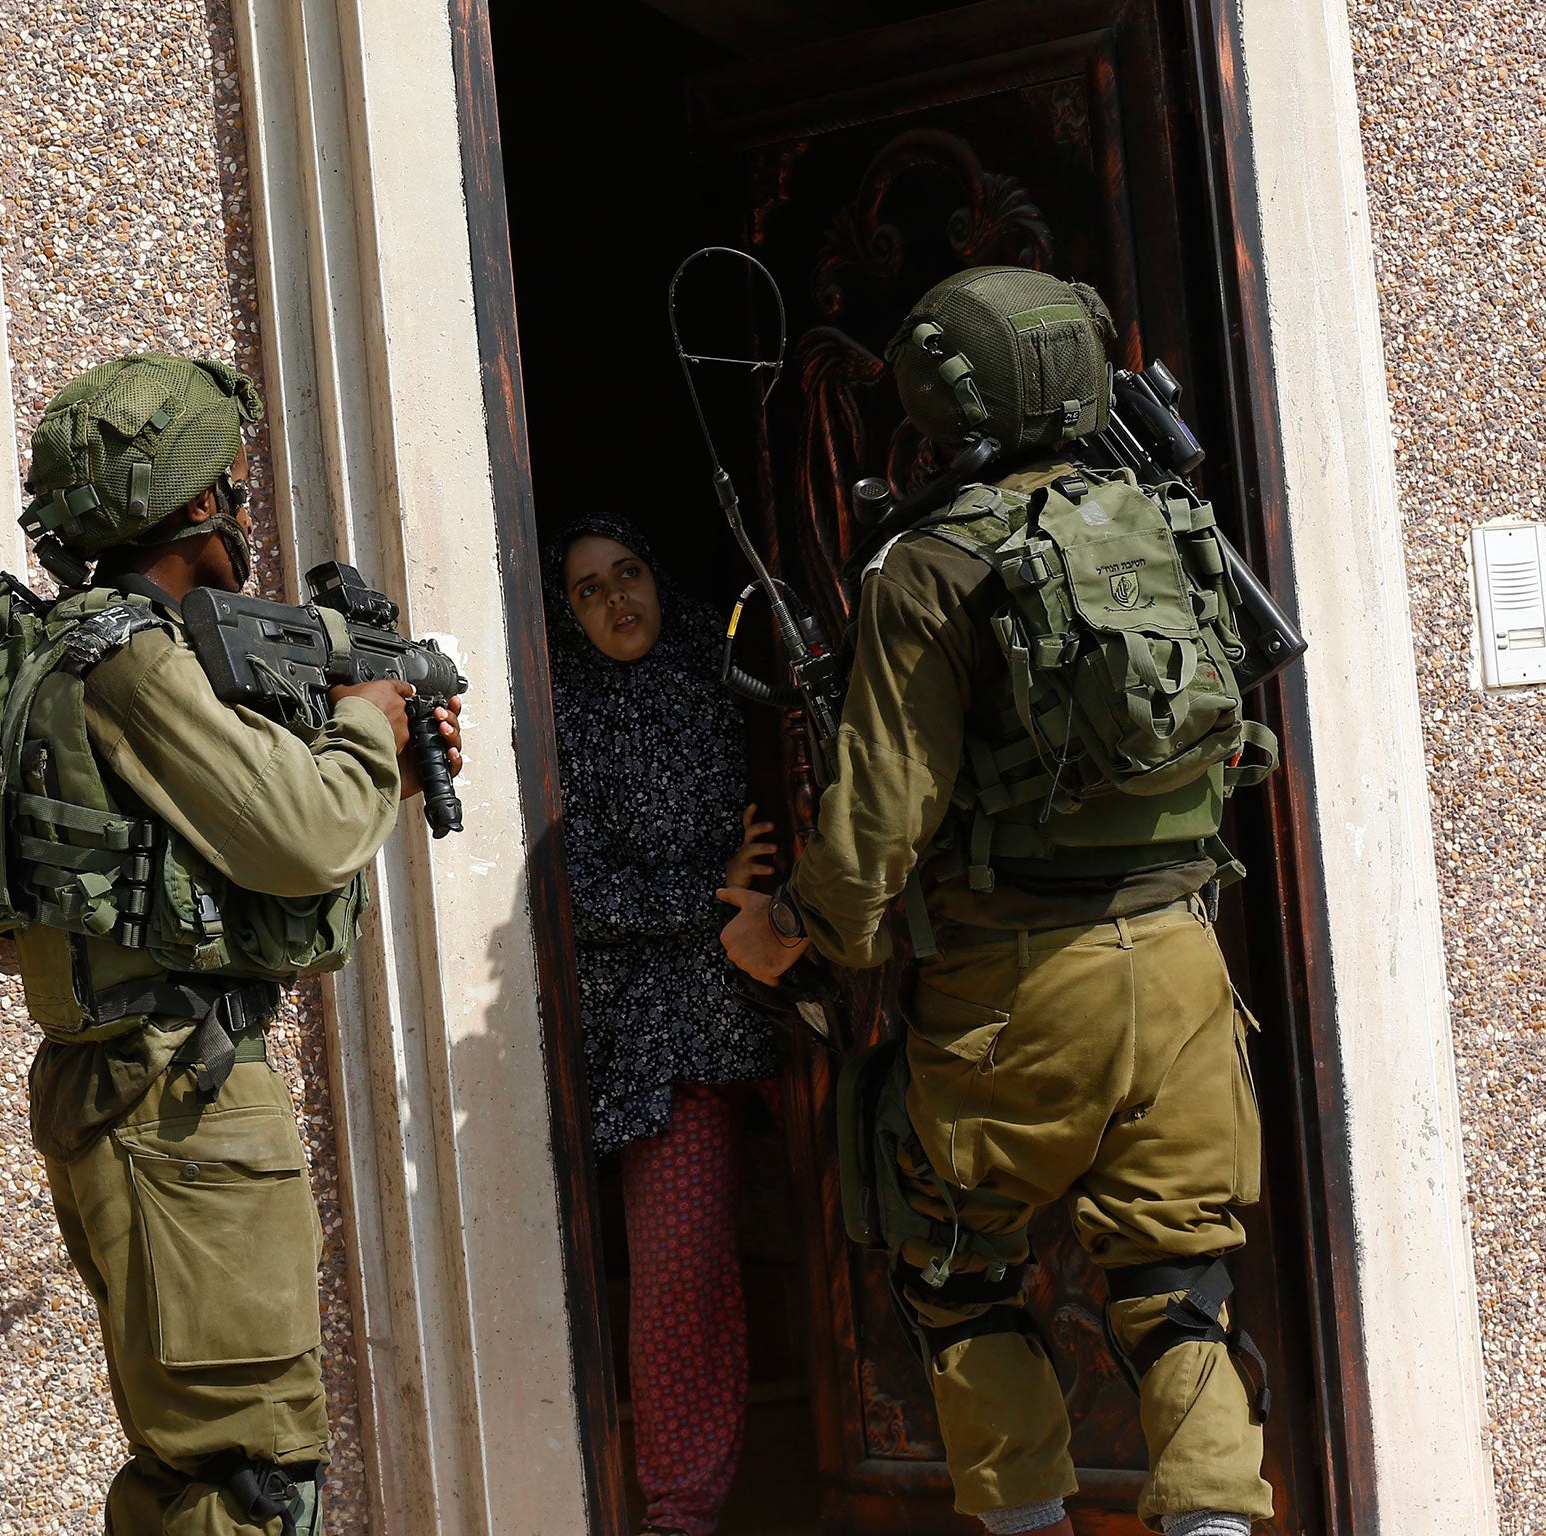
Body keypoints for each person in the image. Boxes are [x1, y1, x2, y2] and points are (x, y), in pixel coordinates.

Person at [717, 268, 1277, 1536]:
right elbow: (1243, 751)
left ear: (934, 394)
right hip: (1185, 971)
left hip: (1013, 988)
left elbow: (877, 815)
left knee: (957, 1270)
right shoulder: (1162, 524)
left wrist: (791, 935)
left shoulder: (929, 562)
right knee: (1176, 1285)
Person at [13, 353, 460, 1536]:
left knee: (194, 1465)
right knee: (247, 1477)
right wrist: (366, 735)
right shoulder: (132, 659)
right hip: (179, 1108)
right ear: (202, 504)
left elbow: (200, 861)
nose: (246, 509)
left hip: (144, 1088)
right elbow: (303, 837)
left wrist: (376, 769)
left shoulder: (72, 646)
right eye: (236, 483)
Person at [545, 512, 778, 1536]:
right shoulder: (559, 715)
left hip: (794, 1001)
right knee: (679, 1277)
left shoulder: (729, 674)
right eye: (588, 588)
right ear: (565, 613)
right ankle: (681, 1516)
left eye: (626, 572)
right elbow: (573, 893)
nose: (614, 599)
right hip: (663, 1039)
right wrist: (706, 896)